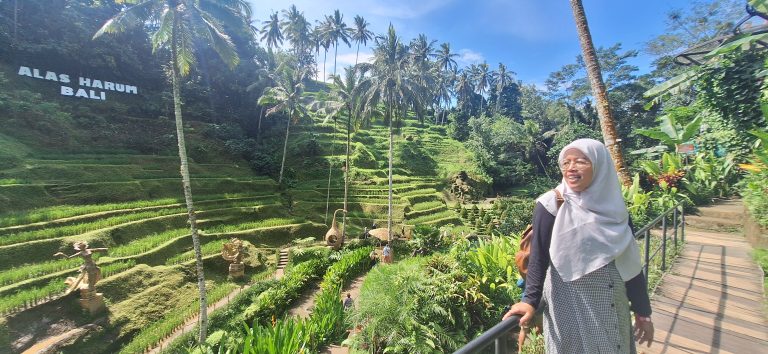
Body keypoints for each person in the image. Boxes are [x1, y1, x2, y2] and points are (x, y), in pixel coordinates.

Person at [503, 139, 654, 353]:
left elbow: (631, 264)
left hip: (613, 304)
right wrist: (529, 301)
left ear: (599, 165)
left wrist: (643, 312)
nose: (571, 168)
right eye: (566, 162)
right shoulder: (551, 205)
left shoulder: (616, 210)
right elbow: (538, 258)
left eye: (581, 161)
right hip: (569, 305)